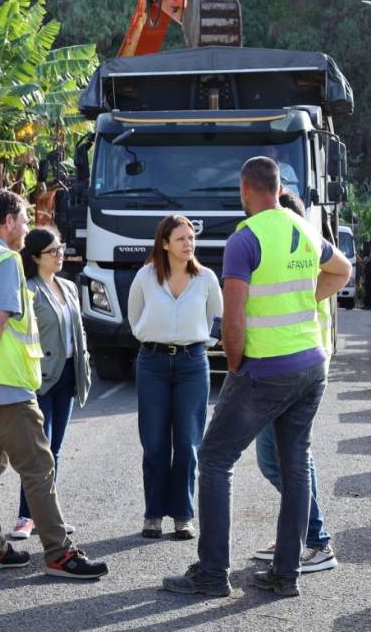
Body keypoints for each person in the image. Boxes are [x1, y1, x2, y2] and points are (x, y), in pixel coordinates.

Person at [162, 157, 350, 598]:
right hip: (311, 364)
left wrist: (235, 363)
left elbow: (233, 319)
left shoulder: (244, 239)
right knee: (296, 464)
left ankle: (212, 574)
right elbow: (341, 270)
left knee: (214, 459)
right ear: (278, 187)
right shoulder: (303, 228)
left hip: (266, 367)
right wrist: (307, 296)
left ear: (245, 190)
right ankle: (286, 575)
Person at [0, 190, 108, 579]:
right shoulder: (3, 260)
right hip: (7, 385)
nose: (27, 227)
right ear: (8, 221)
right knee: (38, 467)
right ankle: (59, 554)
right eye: (23, 219)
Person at [247, 191, 337, 573]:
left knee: (281, 459)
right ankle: (296, 534)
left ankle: (314, 541)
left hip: (293, 374)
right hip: (301, 372)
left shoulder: (301, 270)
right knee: (286, 458)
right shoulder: (308, 265)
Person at [127, 215, 221, 541]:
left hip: (193, 365)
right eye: (180, 238)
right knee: (153, 444)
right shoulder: (145, 276)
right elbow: (134, 315)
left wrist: (202, 343)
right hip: (151, 363)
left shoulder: (206, 278)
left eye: (191, 237)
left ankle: (183, 515)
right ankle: (153, 514)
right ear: (165, 244)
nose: (188, 244)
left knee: (187, 444)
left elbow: (216, 318)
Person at [6, 227, 91, 542]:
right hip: (41, 378)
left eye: (61, 248)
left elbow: (77, 334)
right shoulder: (27, 290)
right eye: (53, 250)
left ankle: (48, 516)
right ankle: (26, 515)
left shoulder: (68, 286)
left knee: (55, 449)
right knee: (37, 450)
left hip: (68, 374)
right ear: (35, 257)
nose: (60, 255)